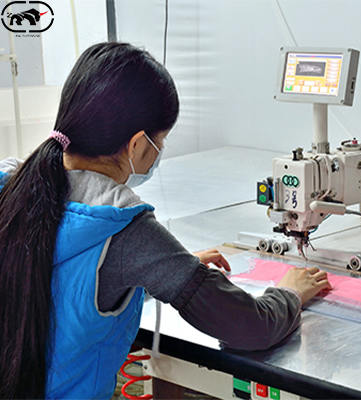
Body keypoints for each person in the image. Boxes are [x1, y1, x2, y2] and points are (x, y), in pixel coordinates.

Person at [0, 42, 331, 399]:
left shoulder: (13, 188)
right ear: (138, 145)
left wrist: (163, 268)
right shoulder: (127, 230)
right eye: (161, 140)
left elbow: (63, 285)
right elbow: (249, 327)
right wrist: (290, 293)